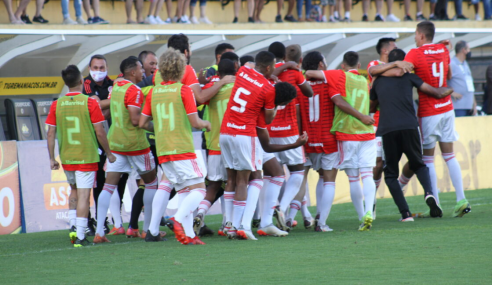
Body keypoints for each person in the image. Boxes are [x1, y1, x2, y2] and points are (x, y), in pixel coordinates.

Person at [371, 21, 471, 218]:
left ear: (421, 35)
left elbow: (400, 71)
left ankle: (436, 201)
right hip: (447, 108)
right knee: (449, 156)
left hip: (429, 111)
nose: (415, 38)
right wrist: (448, 90)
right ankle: (461, 199)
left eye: (416, 35)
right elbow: (448, 74)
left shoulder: (414, 54)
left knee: (427, 159)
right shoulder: (443, 49)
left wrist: (393, 66)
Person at [140, 48, 211, 245]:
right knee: (199, 191)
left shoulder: (153, 92)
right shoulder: (184, 90)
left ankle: (189, 235)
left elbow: (143, 123)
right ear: (182, 69)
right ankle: (177, 219)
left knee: (184, 192)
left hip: (163, 149)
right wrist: (206, 124)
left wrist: (160, 127)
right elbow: (195, 122)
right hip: (181, 148)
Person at [370, 49, 452, 221]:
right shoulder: (410, 78)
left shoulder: (378, 82)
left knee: (391, 174)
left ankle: (405, 214)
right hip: (410, 126)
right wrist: (450, 89)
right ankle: (429, 194)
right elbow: (436, 92)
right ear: (404, 63)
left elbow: (371, 107)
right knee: (419, 164)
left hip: (388, 129)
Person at [45, 65, 116, 247]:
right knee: (84, 196)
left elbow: (50, 133)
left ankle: (73, 227)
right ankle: (81, 236)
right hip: (86, 156)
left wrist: (52, 158)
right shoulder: (90, 102)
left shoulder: (56, 104)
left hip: (67, 157)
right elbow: (100, 132)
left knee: (74, 191)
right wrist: (109, 153)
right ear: (81, 82)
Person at [92, 56, 161, 244]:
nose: (143, 72)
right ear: (133, 72)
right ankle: (148, 229)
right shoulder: (134, 91)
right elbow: (135, 120)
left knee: (108, 187)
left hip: (116, 144)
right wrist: (157, 127)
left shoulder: (117, 87)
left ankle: (99, 232)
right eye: (140, 69)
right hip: (135, 144)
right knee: (152, 183)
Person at [306, 51, 377, 231]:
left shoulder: (338, 76)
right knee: (367, 174)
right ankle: (369, 212)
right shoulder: (364, 81)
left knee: (353, 178)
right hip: (368, 133)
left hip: (348, 134)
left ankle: (362, 216)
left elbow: (309, 73)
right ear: (359, 66)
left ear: (343, 66)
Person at [219, 51, 277, 239]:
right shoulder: (268, 88)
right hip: (244, 133)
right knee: (246, 179)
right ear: (268, 67)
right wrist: (274, 106)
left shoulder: (243, 70)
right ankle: (240, 226)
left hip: (226, 131)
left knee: (231, 179)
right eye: (274, 66)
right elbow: (267, 119)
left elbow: (251, 68)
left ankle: (229, 225)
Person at [83, 54, 129, 236]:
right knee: (98, 183)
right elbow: (96, 108)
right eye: (96, 68)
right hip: (94, 140)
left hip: (114, 139)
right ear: (89, 68)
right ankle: (91, 221)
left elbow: (104, 111)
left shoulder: (111, 84)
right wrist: (118, 99)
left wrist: (108, 105)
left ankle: (115, 221)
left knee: (118, 180)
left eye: (102, 68)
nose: (99, 71)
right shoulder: (87, 84)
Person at [269, 45, 313, 232]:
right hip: (290, 132)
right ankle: (283, 207)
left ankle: (266, 216)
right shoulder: (295, 73)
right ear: (299, 60)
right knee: (297, 172)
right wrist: (296, 71)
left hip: (270, 132)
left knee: (272, 176)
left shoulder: (267, 72)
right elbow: (309, 92)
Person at [298, 51, 339, 232]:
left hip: (306, 140)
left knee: (299, 178)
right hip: (327, 139)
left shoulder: (300, 85)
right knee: (327, 179)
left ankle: (291, 217)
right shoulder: (331, 81)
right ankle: (321, 222)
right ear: (321, 65)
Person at [367, 37, 397, 217]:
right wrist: (395, 66)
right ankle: (372, 201)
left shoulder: (396, 65)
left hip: (393, 119)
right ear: (385, 50)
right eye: (394, 46)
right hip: (377, 121)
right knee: (377, 163)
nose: (396, 50)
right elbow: (374, 72)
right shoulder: (375, 63)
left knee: (390, 163)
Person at [449, 41, 477, 117]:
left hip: (469, 106)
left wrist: (474, 104)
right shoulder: (451, 64)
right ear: (463, 50)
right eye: (468, 49)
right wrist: (451, 93)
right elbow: (442, 81)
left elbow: (470, 85)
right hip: (458, 107)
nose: (469, 51)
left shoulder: (465, 64)